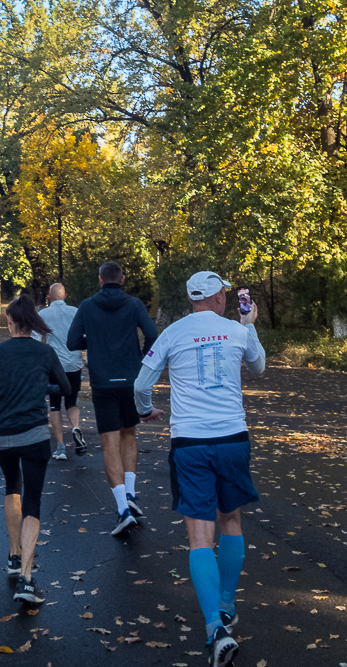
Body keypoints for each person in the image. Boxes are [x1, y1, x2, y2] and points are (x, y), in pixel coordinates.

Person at [134, 271, 265, 667]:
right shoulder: (236, 330)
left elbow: (142, 383)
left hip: (190, 442)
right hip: (232, 439)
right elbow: (258, 367)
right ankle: (226, 603)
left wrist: (146, 411)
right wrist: (249, 326)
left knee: (198, 536)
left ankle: (214, 628)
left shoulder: (173, 333)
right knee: (231, 521)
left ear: (193, 299)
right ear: (221, 299)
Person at [0, 295, 69, 606]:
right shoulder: (44, 352)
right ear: (32, 321)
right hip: (34, 435)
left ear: (10, 321)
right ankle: (26, 577)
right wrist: (40, 386)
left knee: (12, 488)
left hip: (2, 437)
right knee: (33, 500)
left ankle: (13, 554)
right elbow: (64, 388)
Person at [66, 260, 158, 535]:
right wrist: (141, 354)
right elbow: (152, 334)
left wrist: (94, 340)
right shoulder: (134, 304)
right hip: (131, 379)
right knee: (129, 433)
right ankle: (130, 494)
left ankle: (122, 509)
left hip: (102, 382)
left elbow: (72, 342)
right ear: (123, 279)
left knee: (109, 441)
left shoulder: (87, 305)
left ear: (99, 280)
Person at [33, 283, 86, 460]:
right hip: (74, 364)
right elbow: (85, 335)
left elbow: (34, 338)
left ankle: (61, 447)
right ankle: (76, 427)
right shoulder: (76, 312)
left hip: (54, 366)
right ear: (65, 296)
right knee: (71, 402)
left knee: (55, 405)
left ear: (49, 296)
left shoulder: (43, 315)